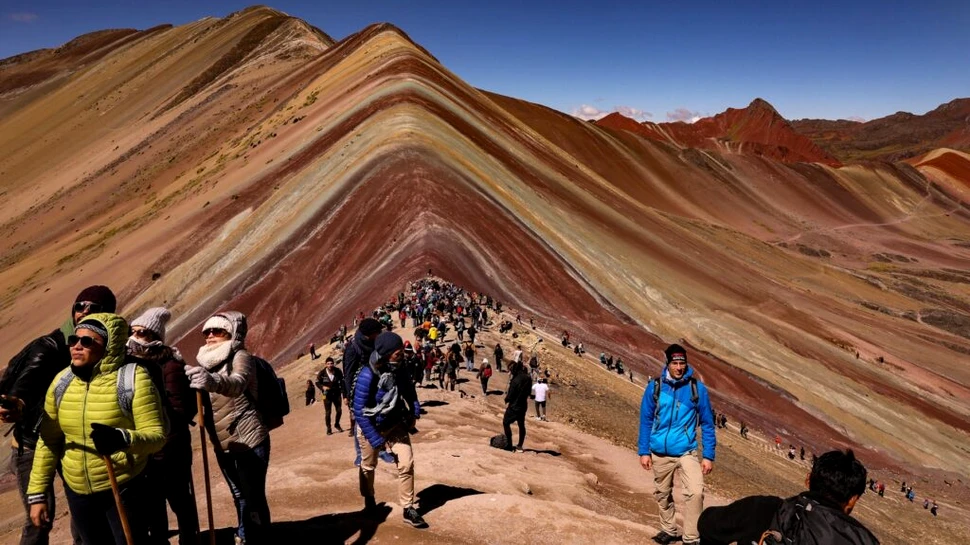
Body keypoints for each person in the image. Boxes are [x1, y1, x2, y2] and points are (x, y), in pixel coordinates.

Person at [27, 312, 166, 544]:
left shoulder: (133, 379)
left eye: (87, 341)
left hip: (123, 486)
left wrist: (121, 439)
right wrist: (37, 494)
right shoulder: (61, 382)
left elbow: (157, 436)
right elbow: (49, 441)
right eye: (74, 340)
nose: (77, 346)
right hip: (77, 492)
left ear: (108, 346)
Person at [1, 285, 117, 545]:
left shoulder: (102, 350)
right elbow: (27, 381)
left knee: (83, 510)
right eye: (79, 306)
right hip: (32, 445)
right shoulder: (50, 347)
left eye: (93, 308)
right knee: (40, 517)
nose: (84, 312)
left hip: (73, 443)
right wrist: (17, 404)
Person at [185, 312, 271, 544]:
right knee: (239, 495)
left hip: (249, 439)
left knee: (253, 498)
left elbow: (237, 384)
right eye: (207, 332)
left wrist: (211, 382)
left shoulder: (241, 356)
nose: (210, 335)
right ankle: (245, 534)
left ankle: (259, 538)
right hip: (222, 443)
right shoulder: (204, 362)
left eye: (218, 331)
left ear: (232, 333)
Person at [126, 307, 200, 545]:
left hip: (171, 447)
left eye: (142, 333)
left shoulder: (170, 366)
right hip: (146, 448)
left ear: (155, 338)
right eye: (133, 331)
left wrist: (154, 417)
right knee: (152, 503)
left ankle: (189, 538)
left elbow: (182, 410)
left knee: (178, 498)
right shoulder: (130, 365)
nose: (135, 337)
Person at [697, 449, 879, 545]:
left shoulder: (766, 509)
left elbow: (707, 524)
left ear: (808, 480)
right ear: (853, 499)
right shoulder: (865, 540)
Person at [638, 344, 716, 545]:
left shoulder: (696, 389)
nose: (679, 367)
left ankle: (691, 537)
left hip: (686, 451)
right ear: (668, 364)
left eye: (682, 363)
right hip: (659, 451)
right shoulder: (655, 387)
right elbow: (646, 419)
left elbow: (707, 423)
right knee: (663, 494)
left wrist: (708, 455)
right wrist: (643, 451)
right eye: (675, 363)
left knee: (696, 492)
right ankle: (669, 529)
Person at [352, 332, 427, 528]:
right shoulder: (367, 375)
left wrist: (415, 411)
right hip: (371, 426)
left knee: (406, 463)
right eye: (397, 352)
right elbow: (360, 413)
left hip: (395, 424)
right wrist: (377, 440)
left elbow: (409, 391)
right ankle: (369, 500)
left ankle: (408, 507)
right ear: (385, 354)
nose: (401, 354)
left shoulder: (400, 369)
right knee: (368, 466)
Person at [503, 361, 532, 452]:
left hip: (514, 406)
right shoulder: (528, 378)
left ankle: (509, 445)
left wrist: (506, 399)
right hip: (523, 405)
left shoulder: (515, 380)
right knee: (521, 425)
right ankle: (520, 445)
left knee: (506, 423)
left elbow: (510, 395)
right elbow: (528, 392)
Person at [315, 357, 344, 435]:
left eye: (331, 363)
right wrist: (322, 387)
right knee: (328, 412)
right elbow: (317, 382)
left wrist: (343, 393)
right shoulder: (322, 373)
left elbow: (342, 382)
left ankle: (337, 424)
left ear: (333, 364)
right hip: (326, 395)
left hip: (336, 393)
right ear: (326, 364)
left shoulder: (338, 371)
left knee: (339, 410)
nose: (330, 365)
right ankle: (329, 428)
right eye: (328, 364)